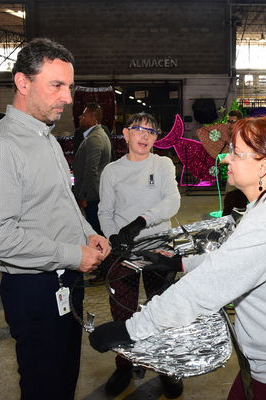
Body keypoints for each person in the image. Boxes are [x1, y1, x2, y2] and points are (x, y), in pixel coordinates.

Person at [90, 116, 266, 400]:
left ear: (263, 166)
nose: (226, 159)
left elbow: (202, 289)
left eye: (236, 153)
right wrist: (179, 262)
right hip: (264, 366)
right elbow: (229, 260)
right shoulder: (265, 207)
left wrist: (130, 329)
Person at [0, 38, 110, 400]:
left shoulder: (45, 138)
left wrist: (89, 233)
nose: (68, 98)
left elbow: (59, 202)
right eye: (57, 86)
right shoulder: (1, 146)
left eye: (70, 87)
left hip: (65, 282)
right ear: (23, 83)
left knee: (64, 378)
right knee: (44, 385)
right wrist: (72, 255)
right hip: (36, 289)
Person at [96, 112, 182, 398]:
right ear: (126, 134)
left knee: (162, 309)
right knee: (124, 310)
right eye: (138, 130)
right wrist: (113, 239)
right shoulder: (112, 171)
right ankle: (125, 365)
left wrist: (141, 221)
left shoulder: (163, 164)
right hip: (124, 251)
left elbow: (172, 201)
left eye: (151, 131)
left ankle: (166, 367)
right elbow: (105, 212)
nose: (145, 136)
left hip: (158, 248)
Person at [73, 102, 112, 235]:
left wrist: (85, 196)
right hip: (95, 194)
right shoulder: (96, 135)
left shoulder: (95, 138)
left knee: (95, 231)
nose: (80, 117)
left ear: (93, 118)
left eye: (84, 115)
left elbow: (91, 170)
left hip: (92, 196)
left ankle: (103, 255)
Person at [223, 110, 248, 215]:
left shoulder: (243, 136)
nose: (229, 124)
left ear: (240, 122)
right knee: (232, 203)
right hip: (234, 174)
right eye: (228, 121)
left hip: (241, 175)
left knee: (234, 205)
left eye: (232, 121)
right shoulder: (233, 136)